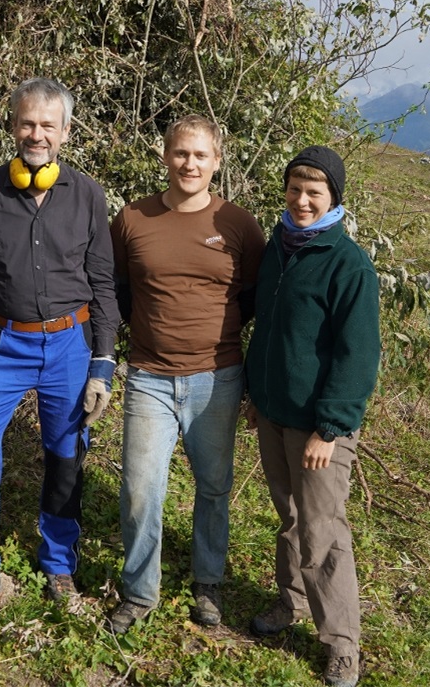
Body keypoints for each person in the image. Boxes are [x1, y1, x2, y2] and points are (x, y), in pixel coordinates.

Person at [0, 77, 120, 629]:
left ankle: (59, 564)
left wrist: (103, 363)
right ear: (12, 125)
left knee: (66, 458)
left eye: (47, 125)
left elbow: (103, 283)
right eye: (26, 122)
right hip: (3, 342)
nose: (36, 134)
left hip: (69, 344)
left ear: (65, 132)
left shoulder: (88, 194)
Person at [106, 115, 265, 634]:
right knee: (139, 488)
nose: (189, 164)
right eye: (180, 154)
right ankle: (139, 591)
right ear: (165, 156)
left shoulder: (239, 225)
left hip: (217, 377)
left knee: (214, 486)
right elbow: (119, 292)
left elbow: (254, 298)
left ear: (217, 161)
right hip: (149, 375)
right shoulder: (132, 218)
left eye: (200, 155)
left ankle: (208, 583)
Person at [245, 145, 380, 687]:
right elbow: (270, 334)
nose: (302, 201)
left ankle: (342, 642)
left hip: (320, 427)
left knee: (323, 529)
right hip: (275, 414)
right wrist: (260, 395)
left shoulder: (348, 265)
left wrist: (330, 427)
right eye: (295, 190)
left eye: (314, 193)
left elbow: (357, 355)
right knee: (290, 518)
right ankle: (291, 602)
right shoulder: (278, 249)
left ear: (333, 200)